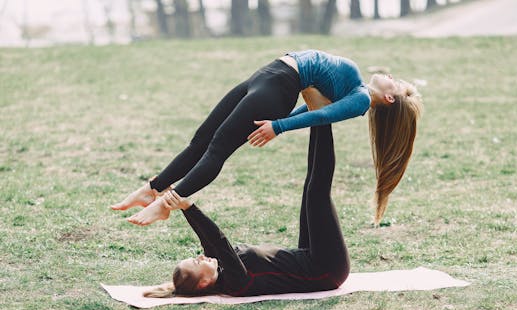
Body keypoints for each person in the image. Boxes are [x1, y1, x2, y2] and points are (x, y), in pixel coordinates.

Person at [111, 49, 423, 226]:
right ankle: (152, 188)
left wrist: (279, 126)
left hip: (278, 86)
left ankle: (167, 203)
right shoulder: (354, 89)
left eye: (395, 84)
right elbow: (313, 106)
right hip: (268, 77)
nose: (390, 77)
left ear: (390, 99)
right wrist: (283, 120)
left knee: (217, 149)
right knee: (201, 140)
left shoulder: (361, 98)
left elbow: (322, 116)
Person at [143, 125, 350, 297]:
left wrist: (182, 206)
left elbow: (207, 239)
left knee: (311, 188)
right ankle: (323, 117)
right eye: (198, 262)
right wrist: (189, 206)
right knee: (317, 192)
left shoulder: (222, 269)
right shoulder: (236, 283)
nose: (202, 256)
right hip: (326, 270)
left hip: (308, 256)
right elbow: (219, 241)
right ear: (204, 283)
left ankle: (318, 115)